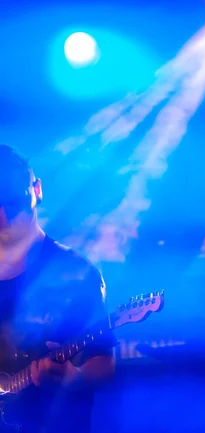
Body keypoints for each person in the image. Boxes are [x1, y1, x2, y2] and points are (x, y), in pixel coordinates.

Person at [0, 144, 116, 433]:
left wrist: (74, 378)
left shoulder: (75, 272)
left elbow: (104, 361)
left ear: (36, 189)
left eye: (12, 200)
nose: (2, 214)